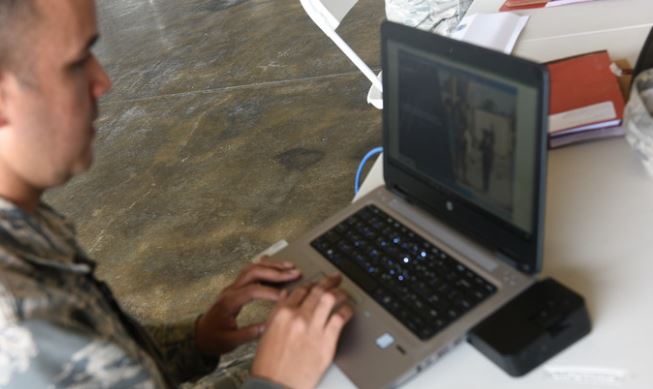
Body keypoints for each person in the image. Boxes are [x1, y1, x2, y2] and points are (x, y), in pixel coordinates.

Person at [0, 0, 353, 388]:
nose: (103, 82)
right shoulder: (22, 322)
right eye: (77, 62)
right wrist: (273, 381)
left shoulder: (21, 220)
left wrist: (197, 340)